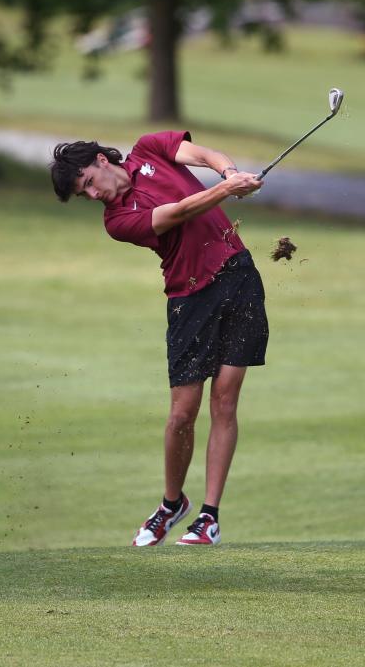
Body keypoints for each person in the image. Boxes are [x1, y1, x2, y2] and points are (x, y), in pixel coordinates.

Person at [51, 131, 265, 547]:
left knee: (225, 398)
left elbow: (202, 153)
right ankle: (172, 504)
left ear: (100, 160)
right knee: (182, 413)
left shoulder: (150, 149)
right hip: (189, 298)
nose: (93, 195)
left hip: (239, 276)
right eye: (84, 194)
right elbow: (179, 212)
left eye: (89, 183)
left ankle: (209, 517)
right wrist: (227, 188)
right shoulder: (117, 222)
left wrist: (230, 172)